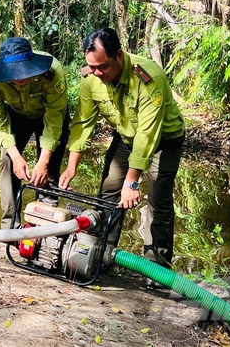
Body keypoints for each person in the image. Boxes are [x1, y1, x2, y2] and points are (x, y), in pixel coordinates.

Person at [59, 28, 185, 273]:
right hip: (126, 136)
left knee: (158, 201)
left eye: (102, 67)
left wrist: (132, 182)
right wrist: (71, 167)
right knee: (108, 192)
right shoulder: (91, 78)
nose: (96, 72)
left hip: (164, 139)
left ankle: (156, 269)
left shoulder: (148, 77)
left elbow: (148, 133)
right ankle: (100, 254)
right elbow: (83, 123)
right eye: (91, 67)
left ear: (119, 55)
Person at [0, 37, 70, 229]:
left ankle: (45, 225)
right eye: (12, 75)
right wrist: (15, 156)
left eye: (23, 73)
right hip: (16, 115)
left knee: (48, 170)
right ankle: (11, 226)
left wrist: (43, 161)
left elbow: (55, 118)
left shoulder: (52, 71)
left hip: (49, 116)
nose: (18, 79)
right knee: (7, 161)